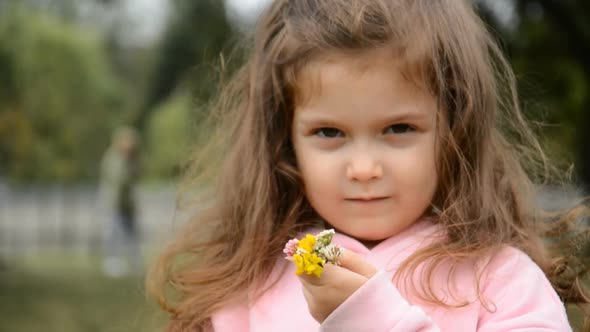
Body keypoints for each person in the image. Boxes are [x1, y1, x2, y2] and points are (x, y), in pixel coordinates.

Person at [147, 0, 590, 330]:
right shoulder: (250, 286)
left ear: (455, 132)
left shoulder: (500, 279)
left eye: (398, 129)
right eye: (329, 133)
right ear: (284, 145)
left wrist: (375, 320)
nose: (362, 168)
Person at [99, 126, 143, 277]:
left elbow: (133, 182)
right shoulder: (113, 159)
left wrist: (133, 204)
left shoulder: (133, 159)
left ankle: (134, 261)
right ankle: (111, 262)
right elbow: (117, 183)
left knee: (131, 233)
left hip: (126, 204)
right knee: (113, 232)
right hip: (114, 203)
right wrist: (116, 205)